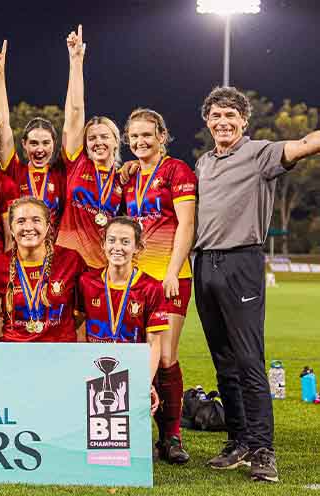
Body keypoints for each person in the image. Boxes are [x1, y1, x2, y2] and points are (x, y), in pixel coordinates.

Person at [194, 86, 320, 482]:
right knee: (223, 362)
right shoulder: (203, 163)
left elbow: (305, 144)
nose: (223, 122)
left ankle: (263, 449)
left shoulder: (259, 153)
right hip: (204, 264)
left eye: (230, 115)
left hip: (241, 262)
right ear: (207, 121)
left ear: (244, 121)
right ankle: (239, 441)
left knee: (249, 360)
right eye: (216, 116)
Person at [122, 108, 196, 464]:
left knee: (166, 357)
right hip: (136, 281)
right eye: (134, 136)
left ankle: (171, 437)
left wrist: (172, 271)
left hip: (169, 278)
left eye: (146, 135)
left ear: (161, 136)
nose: (140, 141)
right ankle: (142, 432)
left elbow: (186, 225)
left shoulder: (177, 171)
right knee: (141, 356)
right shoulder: (131, 175)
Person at [78, 216, 166, 414]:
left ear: (138, 248)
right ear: (103, 244)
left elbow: (154, 343)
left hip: (132, 369)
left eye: (125, 242)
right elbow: (80, 330)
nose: (117, 247)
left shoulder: (151, 287)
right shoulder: (86, 282)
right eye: (112, 240)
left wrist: (145, 383)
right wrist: (83, 369)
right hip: (93, 367)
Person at [56, 25, 124, 269]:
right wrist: (76, 61)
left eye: (104, 137)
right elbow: (75, 111)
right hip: (66, 262)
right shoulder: (77, 163)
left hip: (103, 266)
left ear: (116, 140)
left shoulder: (124, 178)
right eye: (92, 138)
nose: (98, 142)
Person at [0, 197, 86, 342]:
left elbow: (84, 311)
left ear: (47, 226)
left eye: (36, 220)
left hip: (60, 349)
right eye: (21, 221)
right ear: (11, 229)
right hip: (14, 348)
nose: (28, 227)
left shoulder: (71, 260)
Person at [0, 41, 67, 229]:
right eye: (34, 143)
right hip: (21, 244)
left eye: (45, 142)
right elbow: (2, 124)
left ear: (54, 144)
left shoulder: (61, 174)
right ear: (24, 144)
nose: (40, 149)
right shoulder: (15, 172)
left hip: (53, 247)